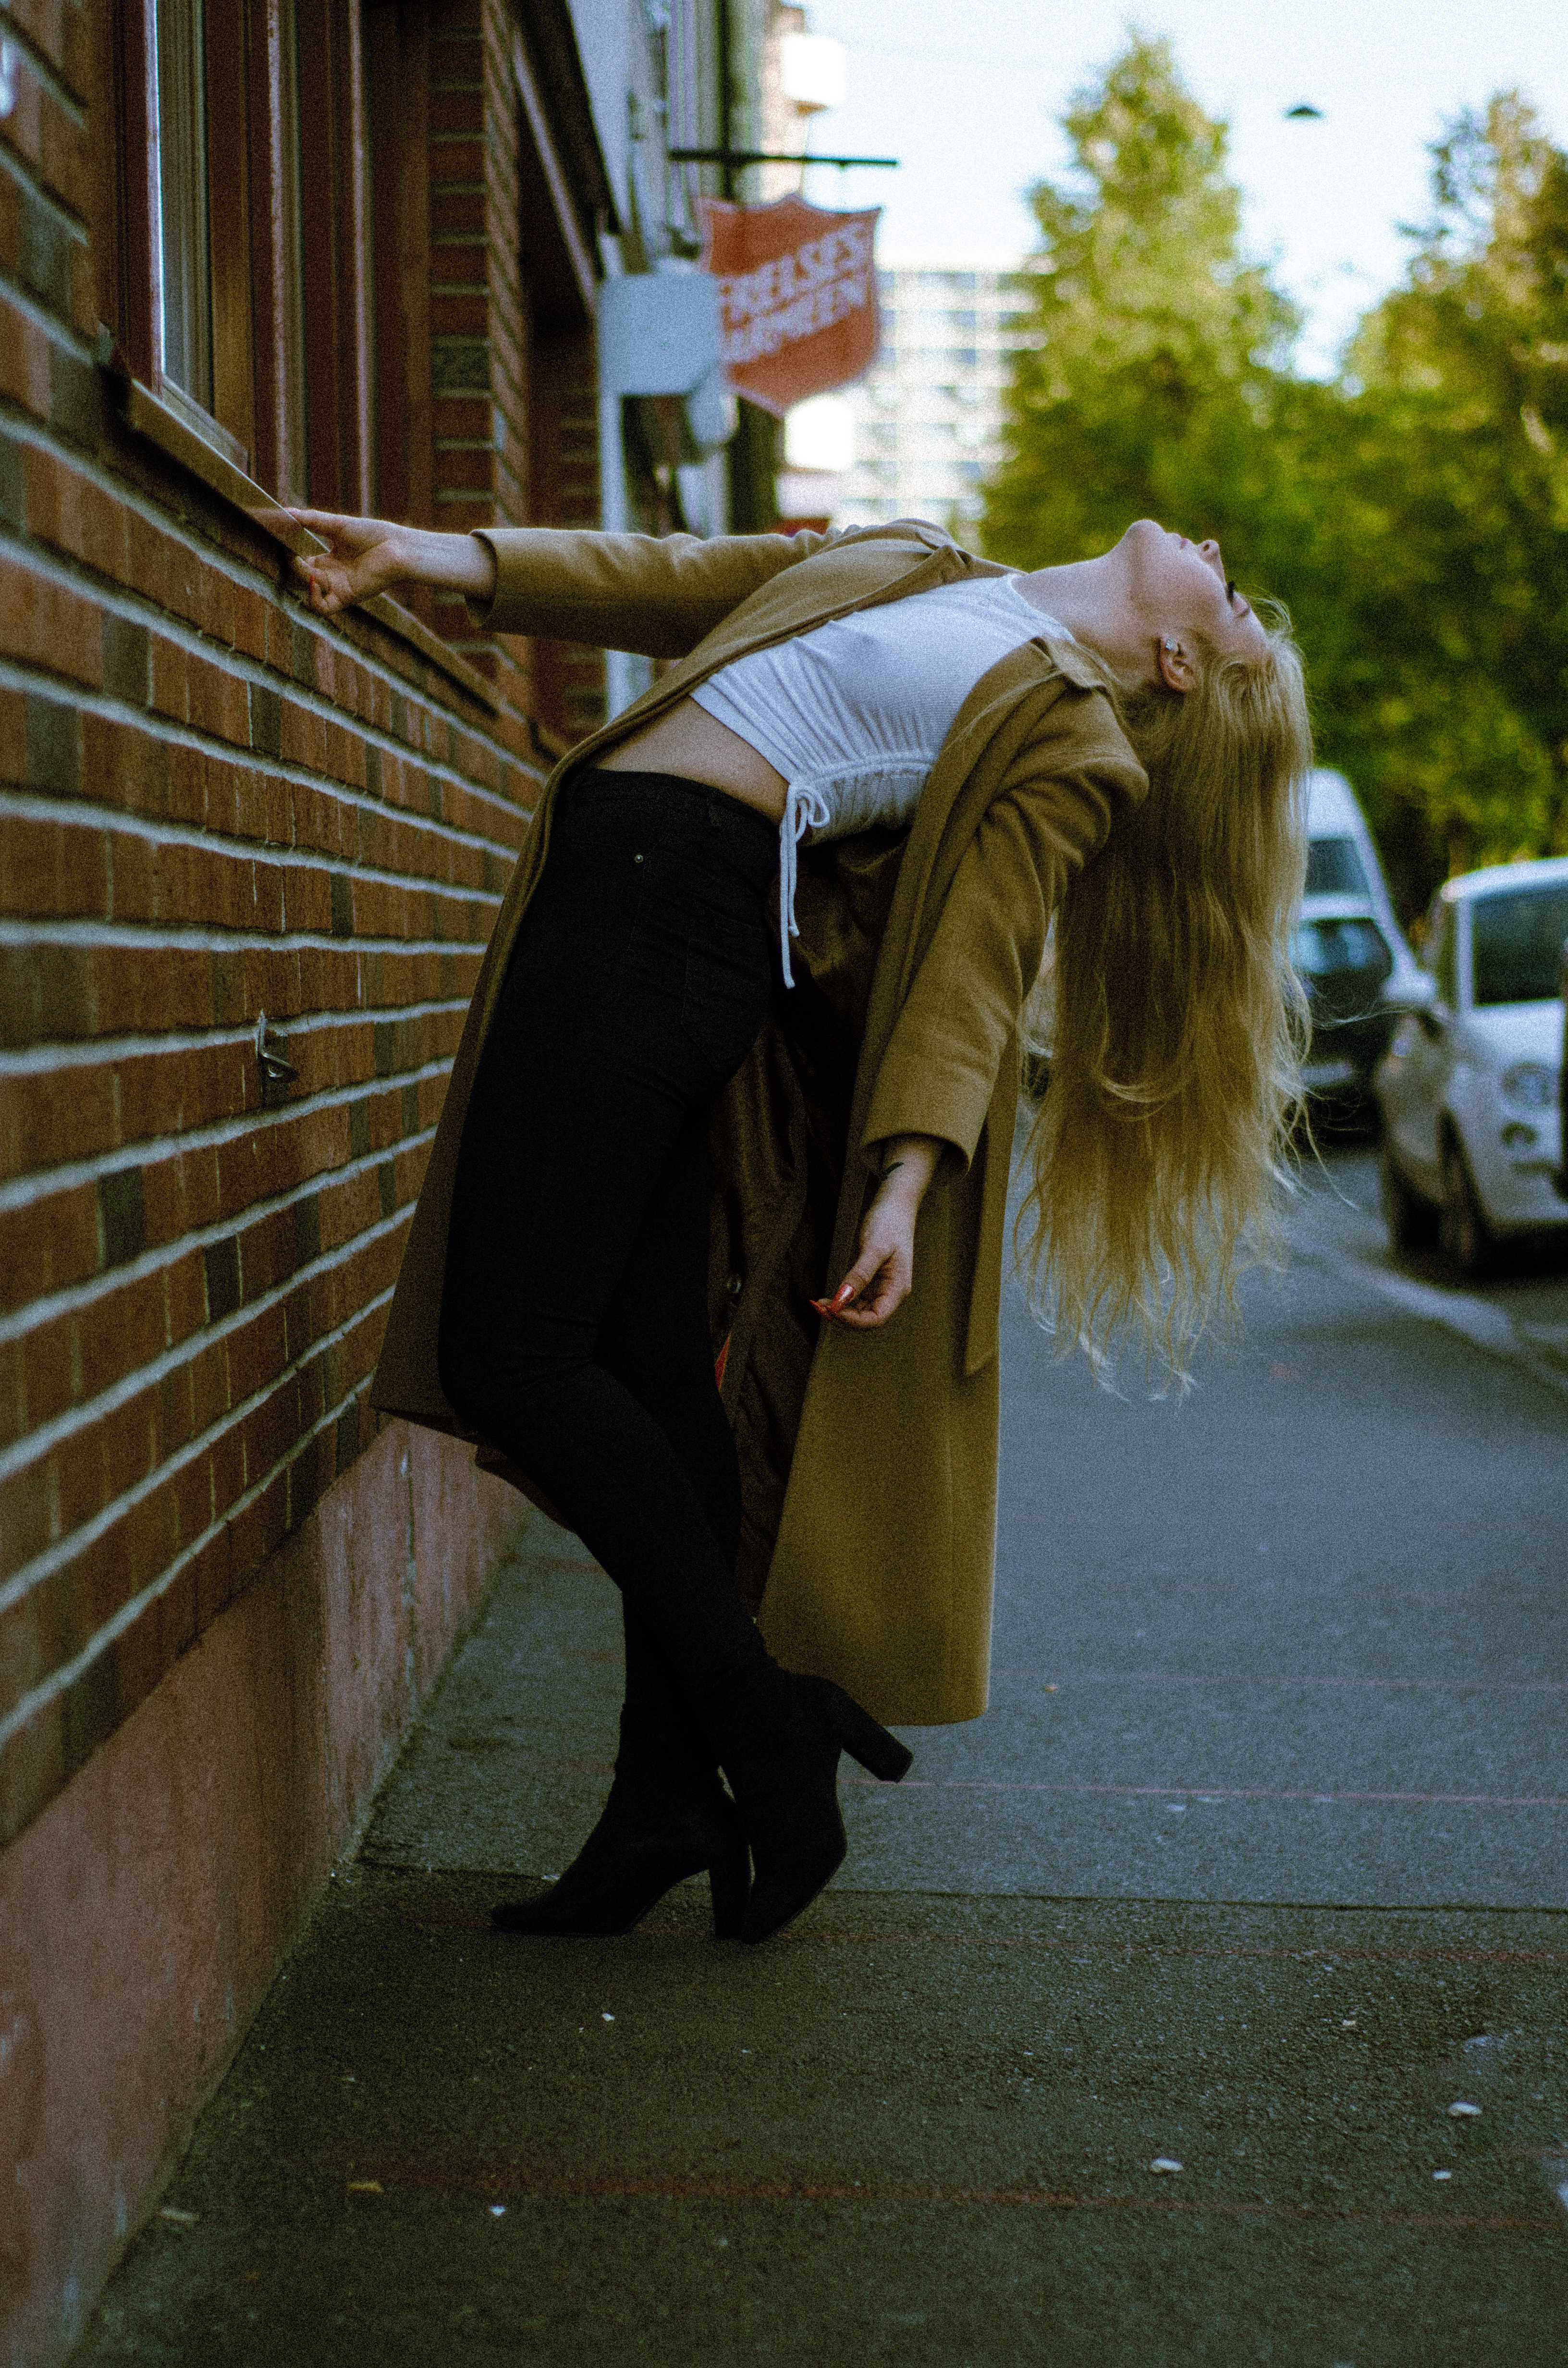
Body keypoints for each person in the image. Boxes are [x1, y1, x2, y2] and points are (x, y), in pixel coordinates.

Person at [293, 511, 1311, 1946]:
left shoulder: (1068, 736)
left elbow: (977, 967)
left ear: (1176, 666)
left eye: (1233, 594)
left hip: (670, 920)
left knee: (512, 1351)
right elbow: (690, 579)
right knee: (644, 1377)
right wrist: (434, 556)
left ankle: (765, 1727)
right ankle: (662, 1798)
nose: (1216, 545)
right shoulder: (940, 564)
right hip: (626, 895)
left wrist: (904, 1178)